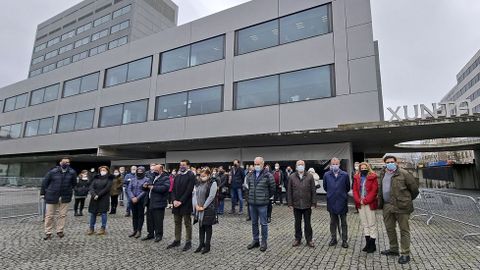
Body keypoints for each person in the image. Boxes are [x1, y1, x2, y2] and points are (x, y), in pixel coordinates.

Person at [378, 155, 419, 265]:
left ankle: (405, 253)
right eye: (387, 162)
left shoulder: (404, 173)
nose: (390, 163)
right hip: (387, 206)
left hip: (402, 206)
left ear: (396, 163)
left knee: (404, 230)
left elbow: (414, 190)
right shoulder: (382, 174)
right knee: (389, 228)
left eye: (392, 161)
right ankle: (393, 249)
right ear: (384, 163)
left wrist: (406, 200)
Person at [40, 157, 77, 240]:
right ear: (60, 163)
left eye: (67, 162)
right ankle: (48, 232)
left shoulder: (72, 172)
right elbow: (45, 183)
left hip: (65, 197)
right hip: (52, 196)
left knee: (62, 215)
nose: (66, 163)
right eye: (64, 162)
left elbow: (74, 184)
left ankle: (60, 230)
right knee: (49, 215)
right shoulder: (52, 172)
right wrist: (42, 193)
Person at [246, 157, 275, 252]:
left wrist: (265, 197)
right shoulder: (250, 175)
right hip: (252, 204)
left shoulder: (268, 175)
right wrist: (249, 198)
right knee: (254, 223)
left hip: (262, 204)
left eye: (258, 164)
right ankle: (255, 240)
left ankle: (264, 242)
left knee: (263, 223)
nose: (256, 166)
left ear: (263, 164)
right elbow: (248, 187)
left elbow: (272, 189)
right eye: (255, 164)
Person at [167, 160, 195, 251]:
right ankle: (177, 240)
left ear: (188, 166)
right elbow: (173, 189)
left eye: (183, 165)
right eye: (180, 165)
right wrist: (174, 200)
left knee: (187, 223)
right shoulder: (178, 175)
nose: (181, 166)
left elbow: (189, 190)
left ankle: (188, 242)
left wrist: (181, 201)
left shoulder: (191, 175)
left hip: (185, 203)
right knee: (177, 222)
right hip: (176, 203)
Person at [288, 160, 316, 248]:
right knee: (297, 223)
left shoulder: (310, 176)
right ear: (296, 166)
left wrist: (313, 202)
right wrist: (290, 203)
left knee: (308, 223)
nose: (300, 166)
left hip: (307, 204)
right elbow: (289, 191)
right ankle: (297, 239)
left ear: (304, 166)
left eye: (302, 165)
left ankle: (309, 239)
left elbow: (313, 190)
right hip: (296, 204)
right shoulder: (292, 177)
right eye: (299, 165)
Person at [323, 157, 350, 248]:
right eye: (333, 164)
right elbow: (325, 187)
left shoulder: (345, 175)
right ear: (330, 165)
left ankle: (344, 240)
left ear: (339, 164)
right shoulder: (326, 175)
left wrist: (341, 194)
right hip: (331, 201)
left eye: (336, 164)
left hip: (342, 201)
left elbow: (347, 187)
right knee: (332, 222)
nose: (335, 165)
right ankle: (333, 238)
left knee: (344, 223)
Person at [353, 162, 378, 253]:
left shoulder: (373, 177)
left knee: (371, 223)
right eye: (362, 168)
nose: (363, 169)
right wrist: (358, 200)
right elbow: (355, 190)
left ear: (368, 168)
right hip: (360, 203)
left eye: (365, 168)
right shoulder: (356, 177)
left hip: (369, 203)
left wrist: (365, 200)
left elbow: (374, 191)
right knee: (364, 223)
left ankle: (372, 244)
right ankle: (368, 243)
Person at [193, 168, 218, 254]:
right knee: (201, 227)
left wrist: (203, 207)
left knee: (207, 227)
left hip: (207, 208)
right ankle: (201, 244)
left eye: (204, 176)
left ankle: (207, 245)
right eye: (201, 175)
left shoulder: (213, 183)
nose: (202, 177)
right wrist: (196, 205)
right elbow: (194, 195)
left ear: (208, 175)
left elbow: (211, 197)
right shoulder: (198, 183)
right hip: (198, 208)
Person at [144, 164, 170, 242]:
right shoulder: (152, 177)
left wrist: (153, 187)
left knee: (158, 220)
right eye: (153, 170)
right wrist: (144, 186)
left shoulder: (165, 177)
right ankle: (150, 234)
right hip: (150, 201)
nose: (154, 171)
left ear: (161, 170)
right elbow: (147, 186)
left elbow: (165, 188)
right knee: (149, 219)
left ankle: (159, 235)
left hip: (159, 202)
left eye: (156, 170)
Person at [87, 166, 113, 235]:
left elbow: (107, 188)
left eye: (104, 170)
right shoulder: (96, 178)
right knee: (93, 213)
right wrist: (94, 194)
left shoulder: (109, 178)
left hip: (103, 198)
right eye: (101, 170)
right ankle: (91, 228)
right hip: (94, 198)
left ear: (107, 171)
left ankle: (103, 228)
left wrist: (98, 195)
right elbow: (91, 187)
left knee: (103, 213)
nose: (102, 171)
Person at [127, 166, 149, 238]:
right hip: (132, 200)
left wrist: (137, 198)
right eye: (138, 171)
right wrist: (132, 197)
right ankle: (134, 230)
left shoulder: (147, 179)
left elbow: (144, 191)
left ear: (143, 172)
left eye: (141, 171)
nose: (139, 172)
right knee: (134, 216)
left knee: (140, 216)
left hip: (141, 200)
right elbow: (129, 189)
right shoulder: (133, 179)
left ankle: (139, 231)